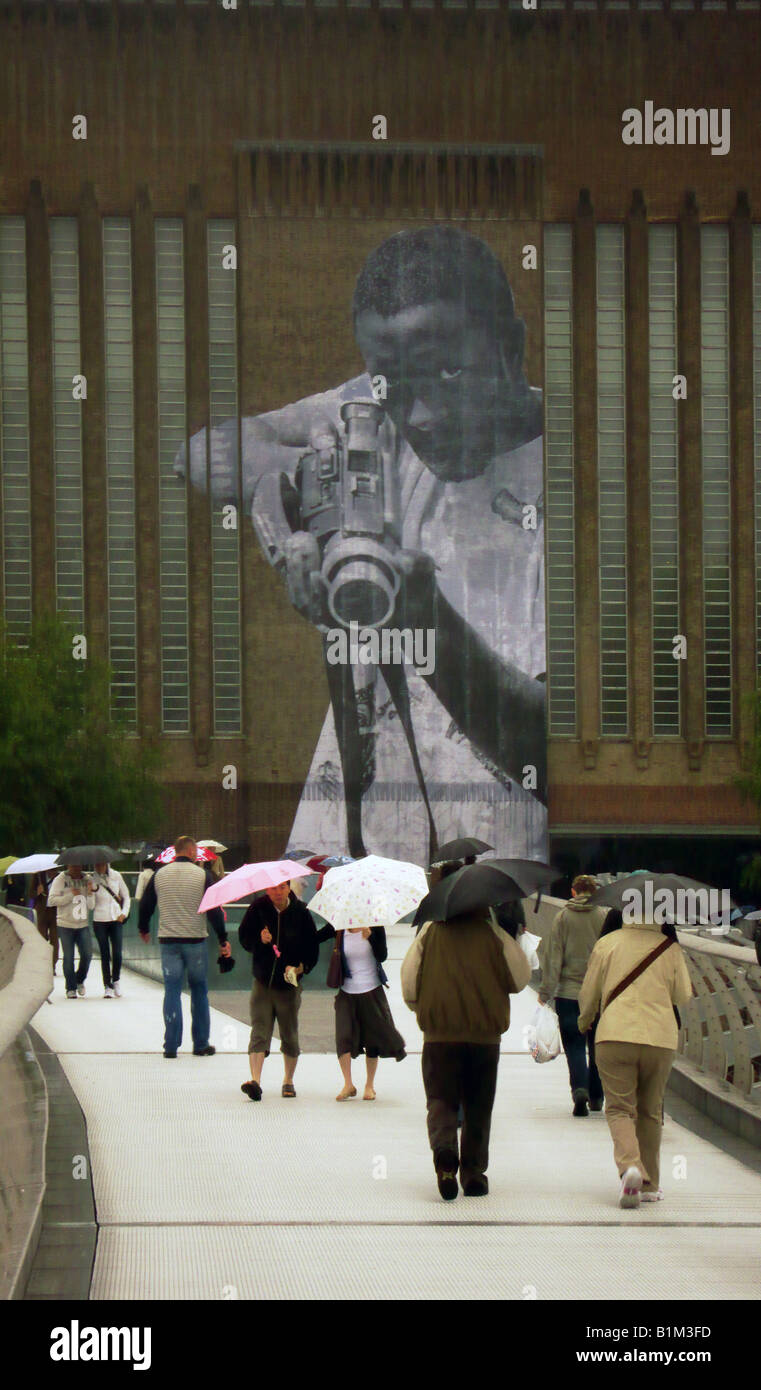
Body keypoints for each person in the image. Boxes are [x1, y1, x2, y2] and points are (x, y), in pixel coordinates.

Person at [180, 226, 547, 865]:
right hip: (371, 862)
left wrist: (428, 627)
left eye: (452, 372)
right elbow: (200, 452)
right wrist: (299, 506)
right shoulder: (376, 415)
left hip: (511, 879)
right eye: (391, 385)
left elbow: (546, 745)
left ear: (512, 349)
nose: (421, 415)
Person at [401, 904, 531, 1200]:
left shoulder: (430, 931)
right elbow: (520, 977)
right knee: (479, 1107)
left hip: (440, 1036)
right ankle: (473, 1174)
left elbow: (409, 981)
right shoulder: (492, 933)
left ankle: (445, 1154)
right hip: (484, 1037)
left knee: (440, 1099)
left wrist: (421, 1007)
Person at [578, 919, 693, 1209]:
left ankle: (630, 1167)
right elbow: (683, 995)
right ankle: (650, 1185)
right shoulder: (670, 947)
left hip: (614, 1033)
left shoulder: (608, 943)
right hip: (660, 1037)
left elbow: (589, 992)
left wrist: (584, 1020)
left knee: (619, 1108)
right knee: (650, 1110)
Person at [137, 835, 231, 1058]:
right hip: (195, 940)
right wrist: (222, 938)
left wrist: (143, 928)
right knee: (199, 990)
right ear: (190, 852)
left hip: (168, 941)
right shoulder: (202, 875)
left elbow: (146, 904)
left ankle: (170, 1045)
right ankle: (200, 1044)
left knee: (172, 990)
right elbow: (214, 909)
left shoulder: (159, 875)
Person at [238, 880, 320, 1100]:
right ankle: (255, 1080)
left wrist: (300, 967)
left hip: (289, 984)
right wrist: (259, 939)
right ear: (266, 889)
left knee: (289, 1033)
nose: (277, 892)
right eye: (273, 888)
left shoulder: (301, 912)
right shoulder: (258, 909)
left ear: (288, 889)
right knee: (259, 1029)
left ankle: (288, 1080)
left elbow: (312, 948)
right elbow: (244, 939)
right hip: (263, 982)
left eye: (281, 887)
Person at [537, 874, 610, 1117]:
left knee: (575, 1044)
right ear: (595, 892)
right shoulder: (603, 917)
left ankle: (579, 1088)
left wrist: (546, 990)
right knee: (597, 1045)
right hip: (599, 993)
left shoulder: (562, 917)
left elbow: (554, 957)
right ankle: (598, 1096)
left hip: (568, 994)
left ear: (573, 891)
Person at [316, 922, 406, 1100]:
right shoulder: (340, 926)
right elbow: (315, 937)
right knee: (343, 1036)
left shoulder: (376, 926)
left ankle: (369, 1086)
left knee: (372, 1040)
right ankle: (348, 1084)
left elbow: (382, 956)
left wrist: (370, 936)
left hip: (371, 989)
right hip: (347, 991)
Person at [47, 865, 97, 999]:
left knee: (87, 955)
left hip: (82, 924)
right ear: (68, 865)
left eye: (78, 864)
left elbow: (91, 906)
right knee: (68, 957)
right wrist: (70, 895)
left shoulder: (88, 879)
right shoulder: (61, 879)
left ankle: (79, 980)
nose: (75, 868)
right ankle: (70, 987)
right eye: (73, 865)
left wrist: (90, 893)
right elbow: (51, 900)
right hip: (65, 924)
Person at [92, 859, 131, 998]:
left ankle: (116, 980)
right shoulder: (93, 879)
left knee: (117, 953)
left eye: (101, 864)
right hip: (100, 919)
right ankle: (107, 985)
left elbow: (126, 896)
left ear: (106, 864)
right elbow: (91, 905)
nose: (98, 866)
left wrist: (124, 913)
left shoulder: (116, 876)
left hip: (116, 918)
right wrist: (91, 892)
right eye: (96, 864)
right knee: (104, 953)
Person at [34, 869, 59, 973]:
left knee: (54, 940)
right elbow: (30, 894)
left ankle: (52, 965)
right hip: (42, 913)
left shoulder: (60, 877)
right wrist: (37, 892)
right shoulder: (38, 876)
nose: (51, 872)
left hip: (55, 913)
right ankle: (42, 964)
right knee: (42, 939)